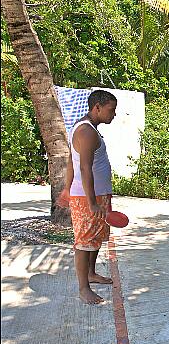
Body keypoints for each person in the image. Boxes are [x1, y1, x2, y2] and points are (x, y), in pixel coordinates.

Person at [58, 90, 118, 304]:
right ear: (97, 108)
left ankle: (91, 274)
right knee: (84, 242)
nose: (114, 114)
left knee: (95, 237)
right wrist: (91, 202)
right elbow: (84, 168)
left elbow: (69, 162)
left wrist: (66, 188)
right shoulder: (87, 132)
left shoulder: (88, 128)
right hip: (87, 198)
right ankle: (84, 289)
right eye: (111, 110)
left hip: (97, 195)